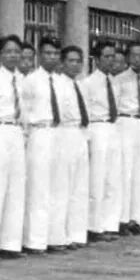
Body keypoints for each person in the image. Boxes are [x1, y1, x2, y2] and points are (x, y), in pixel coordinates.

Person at [0, 35, 27, 259]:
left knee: (16, 189)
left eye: (16, 52)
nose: (13, 55)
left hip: (16, 131)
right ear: (0, 55)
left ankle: (10, 244)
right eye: (8, 51)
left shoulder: (21, 80)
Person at [21, 36, 64, 254]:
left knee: (58, 187)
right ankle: (35, 240)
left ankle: (54, 237)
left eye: (55, 53)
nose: (52, 57)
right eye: (47, 53)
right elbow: (24, 111)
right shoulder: (30, 80)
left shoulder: (61, 81)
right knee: (38, 188)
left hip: (58, 133)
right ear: (39, 55)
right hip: (38, 132)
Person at [82, 41, 121, 242]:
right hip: (97, 128)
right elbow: (86, 111)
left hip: (113, 128)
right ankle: (95, 227)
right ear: (96, 60)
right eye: (106, 57)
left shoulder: (115, 82)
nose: (110, 60)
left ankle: (110, 224)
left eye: (113, 56)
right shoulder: (88, 83)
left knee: (113, 179)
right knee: (97, 179)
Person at [55, 45, 90, 249]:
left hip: (80, 133)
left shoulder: (82, 85)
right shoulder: (58, 84)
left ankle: (77, 233)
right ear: (62, 63)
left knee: (79, 187)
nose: (75, 65)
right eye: (71, 61)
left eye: (78, 61)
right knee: (63, 187)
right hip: (64, 132)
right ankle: (62, 235)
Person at [113, 42, 140, 236]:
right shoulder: (119, 80)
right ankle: (123, 219)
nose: (137, 59)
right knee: (125, 173)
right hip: (126, 122)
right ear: (128, 58)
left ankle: (138, 218)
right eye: (134, 55)